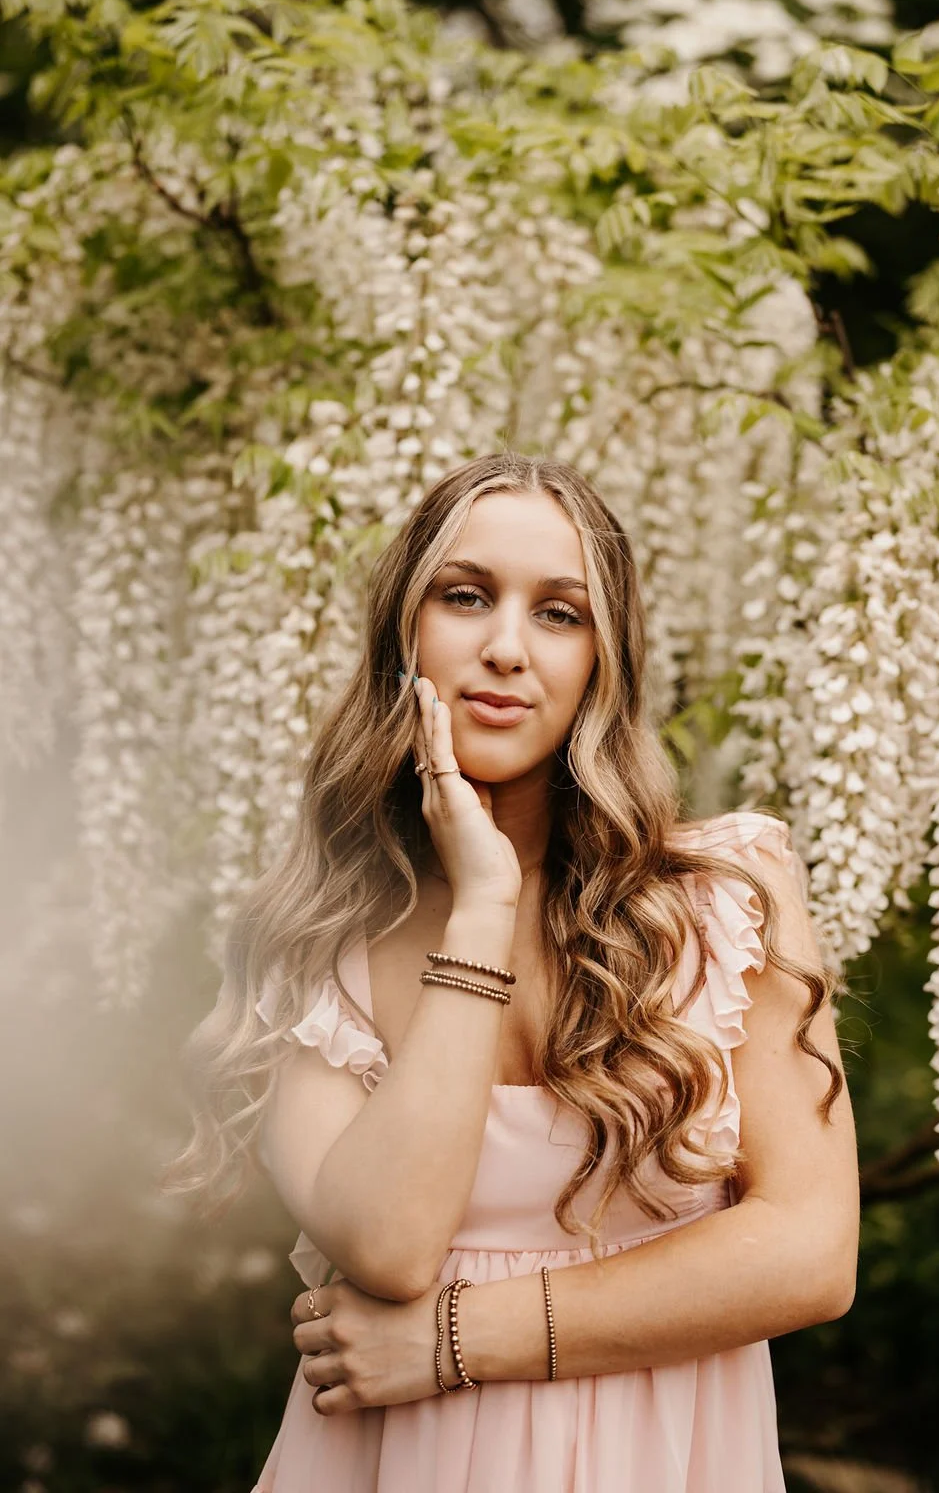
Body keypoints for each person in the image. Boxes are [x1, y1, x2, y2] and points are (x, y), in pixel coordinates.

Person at [167, 451, 859, 1492]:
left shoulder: (728, 895)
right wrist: (482, 909)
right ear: (404, 633)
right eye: (465, 597)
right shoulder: (315, 940)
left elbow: (809, 1252)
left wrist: (454, 1340)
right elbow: (391, 1246)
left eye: (559, 614)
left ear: (604, 659)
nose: (503, 650)